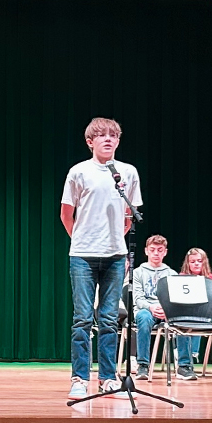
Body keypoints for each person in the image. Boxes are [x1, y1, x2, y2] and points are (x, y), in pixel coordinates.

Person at [60, 117, 142, 400]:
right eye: (102, 135)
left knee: (109, 320)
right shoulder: (79, 172)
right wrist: (82, 238)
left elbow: (130, 214)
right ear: (90, 141)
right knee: (82, 319)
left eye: (113, 135)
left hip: (116, 256)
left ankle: (108, 378)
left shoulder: (128, 172)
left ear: (118, 141)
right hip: (82, 255)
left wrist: (115, 240)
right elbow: (66, 213)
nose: (108, 139)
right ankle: (79, 378)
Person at [132, 235, 194, 380]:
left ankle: (184, 366)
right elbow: (138, 299)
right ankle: (143, 365)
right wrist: (151, 307)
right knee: (143, 317)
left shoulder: (171, 274)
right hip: (147, 310)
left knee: (183, 319)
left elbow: (176, 299)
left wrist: (168, 309)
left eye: (160, 250)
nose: (156, 253)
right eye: (152, 250)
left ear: (165, 252)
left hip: (167, 311)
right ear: (146, 251)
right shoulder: (137, 273)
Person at [179, 248, 212, 364]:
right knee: (189, 319)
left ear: (204, 262)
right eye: (192, 261)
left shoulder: (211, 279)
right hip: (187, 312)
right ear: (188, 263)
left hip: (206, 312)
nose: (196, 264)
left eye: (199, 261)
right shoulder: (181, 277)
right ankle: (188, 353)